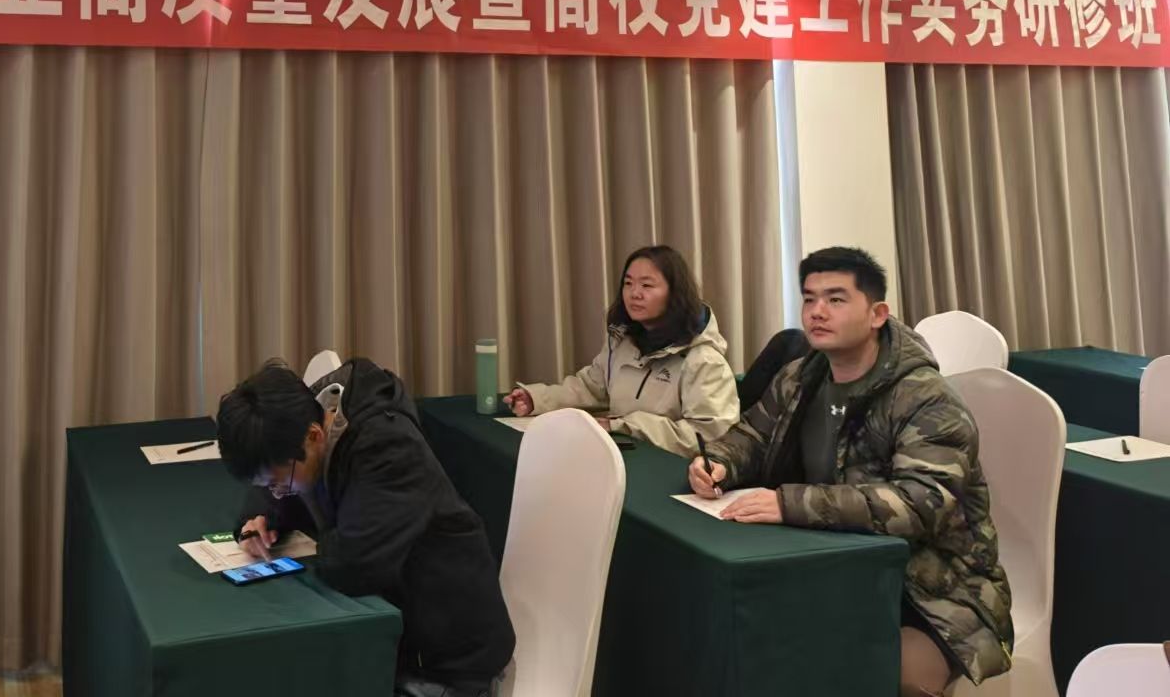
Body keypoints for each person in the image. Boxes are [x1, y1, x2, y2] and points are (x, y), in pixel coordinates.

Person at [687, 247, 1012, 697]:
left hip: (931, 588)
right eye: (809, 299)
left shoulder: (927, 399)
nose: (817, 312)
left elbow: (920, 504)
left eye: (836, 299)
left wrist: (790, 503)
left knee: (873, 671)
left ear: (877, 314)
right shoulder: (800, 377)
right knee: (746, 639)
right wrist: (720, 461)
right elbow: (753, 435)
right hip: (832, 568)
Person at [218, 357, 515, 697]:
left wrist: (317, 536)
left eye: (277, 483)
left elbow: (354, 564)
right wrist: (258, 517)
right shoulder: (303, 419)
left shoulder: (387, 448)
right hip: (401, 633)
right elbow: (278, 484)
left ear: (314, 436)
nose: (275, 492)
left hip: (447, 653)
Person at [503, 244, 739, 455]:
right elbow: (591, 388)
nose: (634, 293)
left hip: (671, 471)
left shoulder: (704, 360)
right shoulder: (622, 341)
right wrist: (538, 399)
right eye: (628, 283)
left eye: (646, 285)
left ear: (675, 293)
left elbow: (710, 435)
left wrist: (624, 426)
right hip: (618, 456)